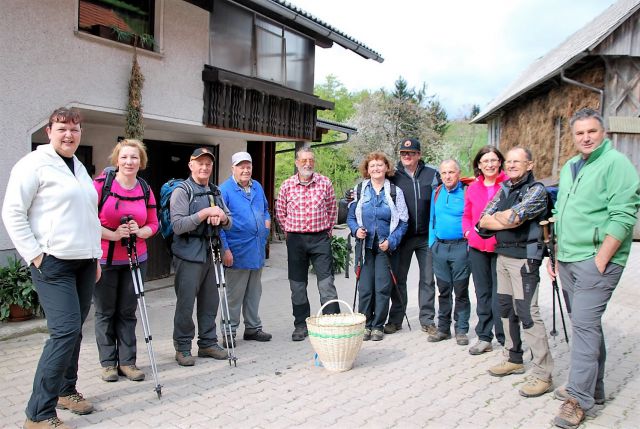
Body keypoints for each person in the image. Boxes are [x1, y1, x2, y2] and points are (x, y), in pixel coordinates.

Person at [2, 107, 102, 429]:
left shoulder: (79, 168)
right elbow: (13, 212)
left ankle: (65, 390)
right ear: (49, 132)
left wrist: (96, 255)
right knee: (65, 331)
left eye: (74, 129)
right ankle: (38, 414)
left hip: (84, 262)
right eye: (62, 129)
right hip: (53, 263)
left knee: (75, 331)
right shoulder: (33, 164)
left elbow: (89, 215)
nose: (69, 134)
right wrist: (35, 255)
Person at [551, 109, 639, 429]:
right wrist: (556, 253)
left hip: (595, 261)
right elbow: (561, 210)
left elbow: (624, 215)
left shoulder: (616, 164)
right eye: (579, 133)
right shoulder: (572, 166)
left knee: (584, 328)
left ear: (603, 132)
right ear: (573, 137)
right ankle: (594, 388)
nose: (586, 137)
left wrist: (602, 257)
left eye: (592, 131)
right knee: (586, 326)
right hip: (568, 258)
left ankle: (578, 399)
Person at [478, 147, 554, 398]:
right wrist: (505, 218)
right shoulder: (504, 189)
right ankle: (513, 358)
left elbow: (517, 217)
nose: (510, 165)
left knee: (528, 313)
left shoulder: (537, 191)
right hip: (503, 256)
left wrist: (503, 218)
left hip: (524, 260)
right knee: (505, 309)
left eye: (516, 162)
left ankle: (543, 374)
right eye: (508, 161)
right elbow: (482, 221)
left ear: (529, 165)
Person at [93, 139, 158, 382]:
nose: (129, 162)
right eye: (124, 157)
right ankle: (109, 363)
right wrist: (112, 234)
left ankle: (128, 362)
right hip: (105, 259)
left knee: (128, 311)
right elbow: (86, 219)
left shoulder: (144, 188)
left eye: (134, 157)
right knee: (105, 311)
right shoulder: (101, 185)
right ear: (116, 160)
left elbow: (154, 222)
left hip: (135, 258)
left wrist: (142, 232)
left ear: (141, 162)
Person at [170, 147, 233, 366]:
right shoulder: (182, 190)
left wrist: (222, 218)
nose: (204, 167)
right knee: (186, 304)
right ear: (191, 165)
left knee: (210, 302)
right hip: (188, 255)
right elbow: (177, 225)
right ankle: (183, 347)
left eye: (208, 164)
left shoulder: (215, 191)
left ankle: (207, 342)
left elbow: (230, 221)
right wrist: (205, 214)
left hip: (211, 253)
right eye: (200, 163)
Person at [276, 146, 340, 341]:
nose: (307, 163)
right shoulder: (287, 185)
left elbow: (332, 209)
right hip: (296, 240)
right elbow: (280, 212)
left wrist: (328, 232)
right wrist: (289, 231)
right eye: (303, 160)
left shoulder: (325, 183)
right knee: (297, 285)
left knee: (326, 284)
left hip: (320, 238)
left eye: (310, 160)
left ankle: (332, 323)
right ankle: (301, 324)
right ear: (297, 163)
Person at [347, 151, 408, 341]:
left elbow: (404, 221)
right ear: (367, 169)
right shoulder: (359, 190)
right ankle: (365, 324)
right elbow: (350, 217)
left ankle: (378, 326)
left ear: (386, 168)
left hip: (385, 247)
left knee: (382, 287)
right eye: (372, 165)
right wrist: (356, 230)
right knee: (365, 288)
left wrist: (391, 241)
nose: (376, 168)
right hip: (365, 246)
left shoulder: (395, 192)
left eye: (379, 165)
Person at [384, 138, 441, 336]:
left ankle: (427, 320)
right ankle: (396, 319)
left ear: (419, 155)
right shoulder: (392, 176)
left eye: (411, 153)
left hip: (427, 236)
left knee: (427, 279)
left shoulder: (433, 174)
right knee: (398, 278)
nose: (407, 156)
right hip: (402, 237)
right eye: (403, 153)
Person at [219, 152, 272, 346]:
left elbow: (265, 209)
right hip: (237, 250)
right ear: (233, 168)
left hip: (257, 249)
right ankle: (228, 331)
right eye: (241, 166)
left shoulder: (256, 186)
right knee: (234, 294)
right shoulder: (224, 190)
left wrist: (266, 227)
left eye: (248, 166)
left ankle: (252, 328)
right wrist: (225, 250)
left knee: (254, 292)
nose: (245, 170)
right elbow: (219, 225)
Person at [462, 146, 508, 355]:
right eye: (485, 161)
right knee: (482, 293)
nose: (489, 165)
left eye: (493, 160)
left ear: (500, 162)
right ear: (479, 165)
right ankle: (484, 336)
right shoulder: (473, 188)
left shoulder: (508, 185)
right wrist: (468, 232)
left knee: (502, 294)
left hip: (502, 247)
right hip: (478, 247)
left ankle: (506, 337)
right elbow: (467, 215)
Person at [427, 160, 471, 345]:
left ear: (458, 173)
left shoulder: (467, 191)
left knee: (460, 290)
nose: (447, 176)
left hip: (461, 248)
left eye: (451, 172)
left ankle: (461, 329)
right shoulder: (436, 192)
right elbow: (432, 219)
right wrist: (432, 244)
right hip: (440, 248)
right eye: (444, 173)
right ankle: (443, 329)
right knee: (443, 290)